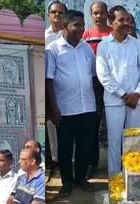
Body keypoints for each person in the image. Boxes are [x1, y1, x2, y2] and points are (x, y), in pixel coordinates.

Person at [46, 10, 99, 197]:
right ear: (65, 26)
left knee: (85, 147)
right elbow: (49, 81)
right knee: (65, 148)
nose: (81, 28)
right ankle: (67, 181)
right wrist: (53, 109)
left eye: (82, 24)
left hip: (88, 107)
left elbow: (94, 77)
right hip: (65, 109)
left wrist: (97, 107)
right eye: (76, 25)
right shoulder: (53, 49)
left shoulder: (86, 49)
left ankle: (81, 178)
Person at [96, 5, 140, 176]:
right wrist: (124, 95)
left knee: (134, 140)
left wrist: (137, 92)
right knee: (114, 141)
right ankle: (114, 177)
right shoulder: (104, 46)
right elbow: (103, 75)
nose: (126, 23)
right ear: (111, 22)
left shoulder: (137, 44)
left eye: (128, 20)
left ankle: (132, 175)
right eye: (122, 20)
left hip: (136, 101)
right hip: (114, 101)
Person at [82, 1, 112, 177]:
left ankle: (118, 163)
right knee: (92, 126)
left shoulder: (111, 33)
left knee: (115, 125)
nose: (99, 16)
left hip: (111, 85)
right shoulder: (86, 35)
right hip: (93, 86)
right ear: (91, 15)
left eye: (102, 12)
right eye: (95, 13)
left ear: (107, 14)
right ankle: (91, 163)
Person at [45, 0, 68, 171]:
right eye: (54, 12)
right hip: (47, 87)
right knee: (51, 125)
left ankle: (68, 158)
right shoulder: (44, 37)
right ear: (48, 15)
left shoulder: (70, 35)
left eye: (61, 13)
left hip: (66, 88)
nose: (57, 15)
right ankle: (54, 159)